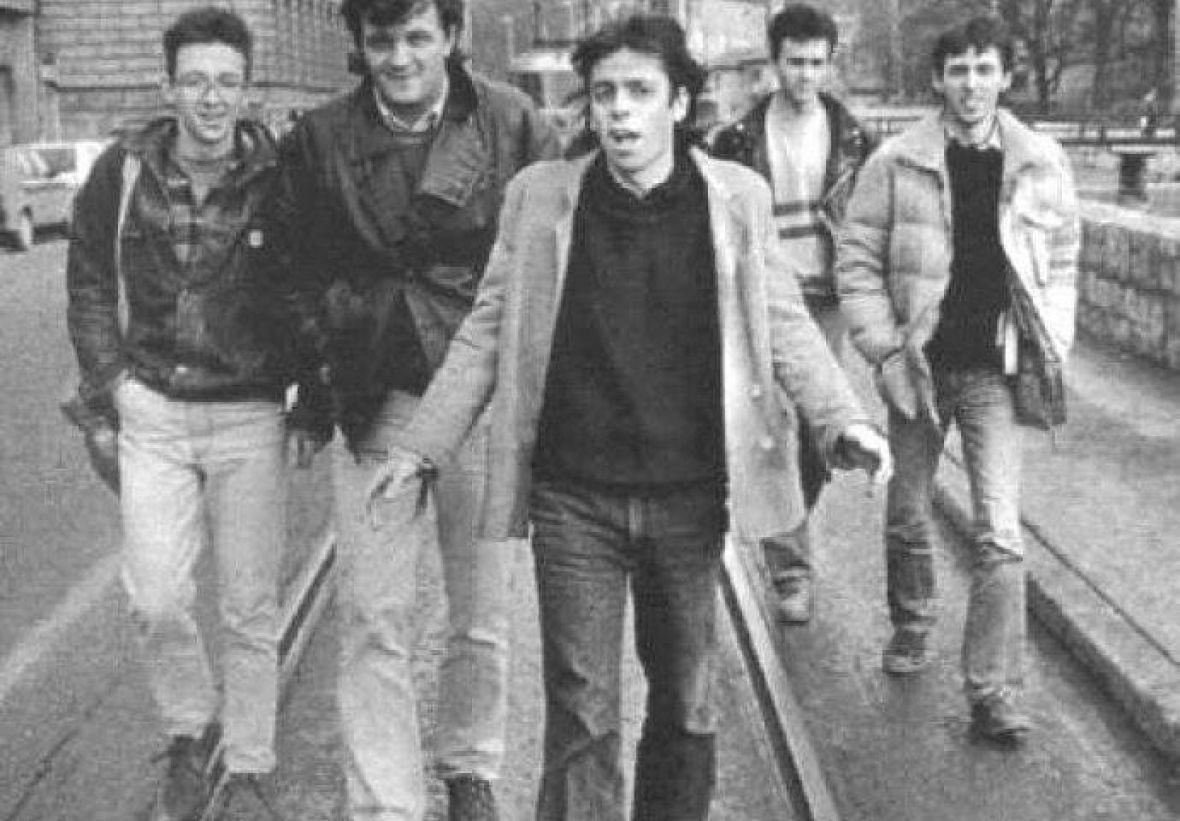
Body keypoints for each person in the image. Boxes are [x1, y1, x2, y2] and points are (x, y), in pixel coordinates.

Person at [368, 15, 891, 820]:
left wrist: (842, 420)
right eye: (605, 93)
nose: (619, 110)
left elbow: (783, 323)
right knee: (582, 709)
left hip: (688, 496)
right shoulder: (539, 197)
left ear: (679, 103)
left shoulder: (734, 199)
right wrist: (421, 447)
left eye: (640, 92)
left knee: (686, 703)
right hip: (574, 495)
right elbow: (487, 329)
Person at [268, 0, 561, 818]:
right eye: (381, 40)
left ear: (452, 38)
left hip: (482, 397)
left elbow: (557, 251)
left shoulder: (513, 123)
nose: (399, 58)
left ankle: (471, 766)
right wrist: (326, 351)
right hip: (377, 393)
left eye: (417, 38)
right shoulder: (319, 137)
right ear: (359, 44)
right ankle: (385, 803)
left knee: (483, 607)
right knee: (371, 612)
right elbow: (289, 266)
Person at [65, 7, 303, 820]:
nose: (211, 98)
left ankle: (251, 762)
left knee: (250, 604)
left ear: (247, 90)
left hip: (247, 412)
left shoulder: (279, 175)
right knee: (157, 595)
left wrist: (307, 389)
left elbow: (309, 279)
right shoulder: (122, 171)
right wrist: (112, 384)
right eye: (195, 80)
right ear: (168, 87)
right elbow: (89, 280)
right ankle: (189, 727)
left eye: (227, 82)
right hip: (154, 412)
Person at [836, 15, 1079, 742]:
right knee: (908, 512)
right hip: (918, 366)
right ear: (938, 79)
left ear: (1006, 76)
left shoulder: (1039, 161)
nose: (971, 85)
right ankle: (912, 622)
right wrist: (884, 351)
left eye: (984, 69)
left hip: (993, 373)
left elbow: (1064, 259)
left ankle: (993, 692)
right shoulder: (895, 162)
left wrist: (1052, 340)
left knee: (1000, 532)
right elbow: (857, 260)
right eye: (958, 71)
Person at [711, 3, 875, 624]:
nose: (805, 75)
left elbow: (873, 224)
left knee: (816, 430)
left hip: (825, 300)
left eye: (815, 63)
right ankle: (791, 571)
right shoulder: (736, 140)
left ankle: (792, 526)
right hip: (764, 298)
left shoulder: (855, 139)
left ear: (829, 64)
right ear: (774, 62)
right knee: (772, 431)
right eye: (794, 62)